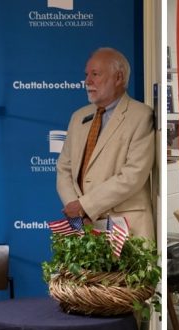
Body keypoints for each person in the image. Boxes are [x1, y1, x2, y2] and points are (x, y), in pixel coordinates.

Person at [56, 47, 155, 243]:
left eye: (95, 74)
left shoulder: (141, 116)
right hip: (83, 227)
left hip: (127, 229)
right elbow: (64, 168)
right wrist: (74, 208)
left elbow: (133, 174)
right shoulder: (78, 117)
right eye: (86, 74)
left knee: (124, 275)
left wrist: (85, 205)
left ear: (118, 78)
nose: (87, 81)